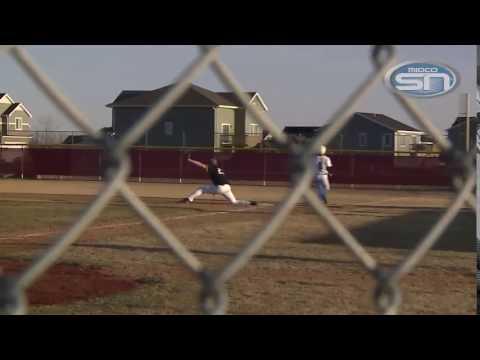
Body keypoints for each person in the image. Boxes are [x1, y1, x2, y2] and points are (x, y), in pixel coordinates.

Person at [181, 154, 257, 206]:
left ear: (211, 163)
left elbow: (200, 165)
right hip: (227, 187)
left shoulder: (211, 167)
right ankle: (250, 203)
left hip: (220, 188)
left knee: (201, 189)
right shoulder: (219, 169)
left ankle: (189, 199)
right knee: (234, 202)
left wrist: (190, 160)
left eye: (210, 161)